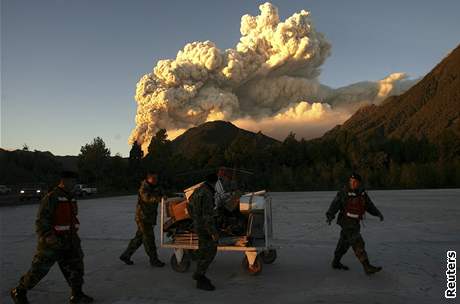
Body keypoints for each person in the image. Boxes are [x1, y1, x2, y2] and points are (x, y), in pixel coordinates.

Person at [10, 171, 93, 304]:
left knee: (77, 268)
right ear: (64, 181)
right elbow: (41, 220)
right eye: (73, 181)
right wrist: (48, 236)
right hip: (53, 242)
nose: (74, 184)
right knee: (38, 270)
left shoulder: (71, 196)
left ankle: (77, 295)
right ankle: (19, 291)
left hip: (70, 240)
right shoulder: (52, 197)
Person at [326, 173, 384, 275]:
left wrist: (377, 213)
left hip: (355, 222)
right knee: (358, 242)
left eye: (355, 182)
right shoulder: (343, 192)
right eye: (351, 181)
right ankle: (367, 267)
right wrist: (330, 215)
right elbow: (335, 204)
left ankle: (335, 262)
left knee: (344, 243)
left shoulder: (362, 193)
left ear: (359, 183)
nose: (353, 183)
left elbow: (369, 206)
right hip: (346, 222)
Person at [120, 171, 165, 267]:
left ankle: (126, 255)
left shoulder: (157, 187)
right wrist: (159, 198)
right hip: (143, 218)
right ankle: (154, 260)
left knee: (139, 238)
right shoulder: (143, 187)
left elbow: (164, 193)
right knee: (149, 239)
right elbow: (147, 198)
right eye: (153, 179)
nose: (155, 180)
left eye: (156, 178)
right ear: (148, 179)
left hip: (150, 218)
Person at [188, 173, 219, 291]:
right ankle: (199, 276)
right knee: (210, 251)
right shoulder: (206, 194)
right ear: (215, 183)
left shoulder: (199, 190)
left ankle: (196, 264)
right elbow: (207, 217)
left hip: (198, 225)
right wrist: (213, 233)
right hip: (205, 228)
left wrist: (195, 218)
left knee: (203, 250)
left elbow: (189, 204)